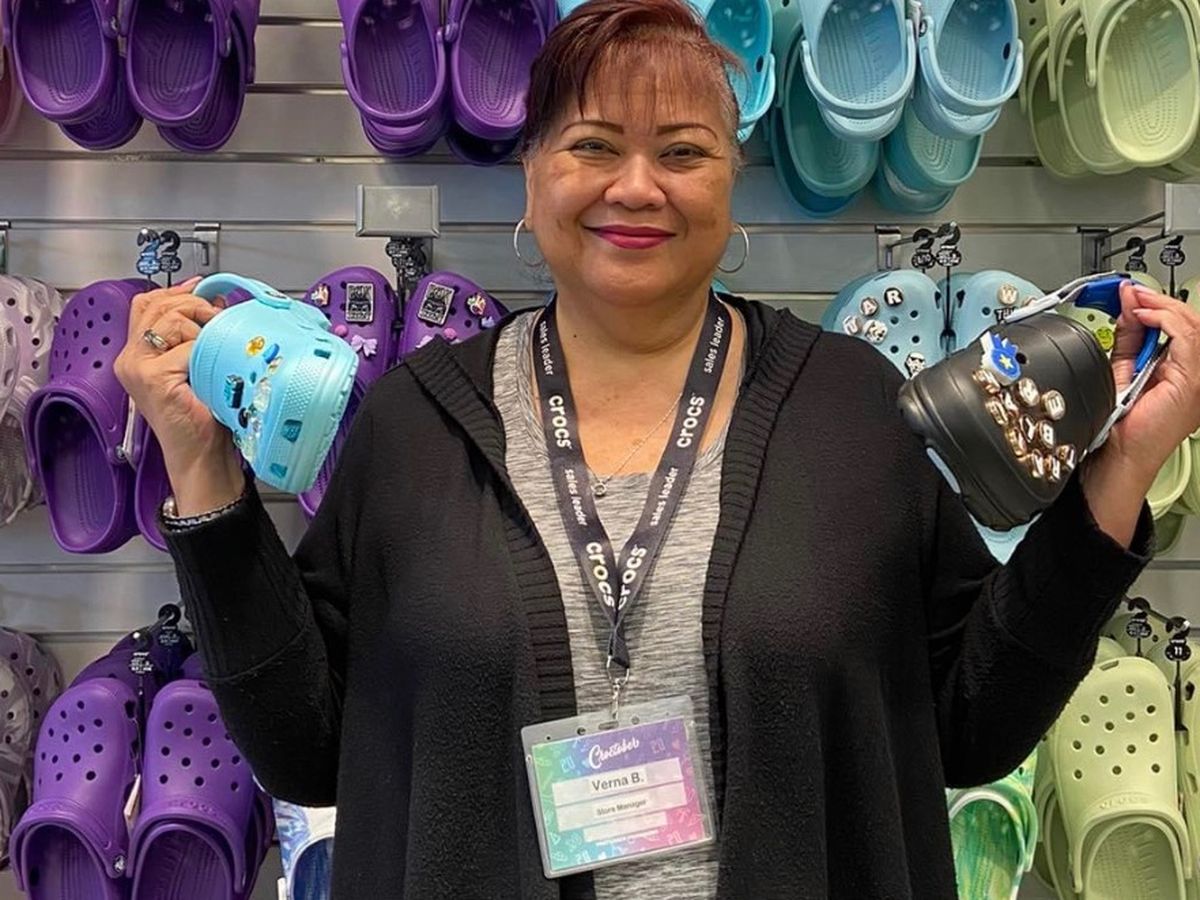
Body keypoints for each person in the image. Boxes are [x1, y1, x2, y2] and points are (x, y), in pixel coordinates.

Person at [113, 0, 1200, 896]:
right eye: (593, 145)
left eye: (683, 151)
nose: (637, 187)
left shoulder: (854, 408)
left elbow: (973, 725)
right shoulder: (412, 426)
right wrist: (204, 473)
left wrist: (1115, 477)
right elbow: (304, 747)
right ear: (531, 176)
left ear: (731, 186)